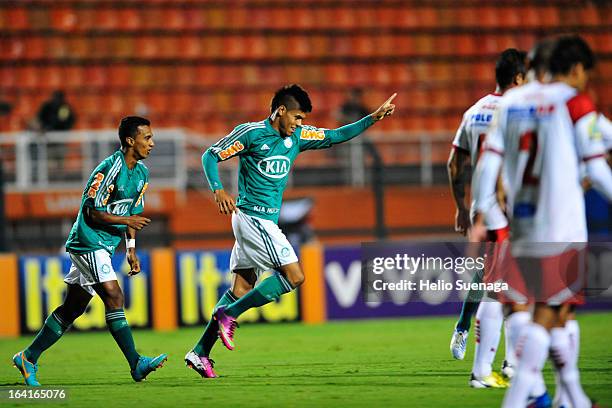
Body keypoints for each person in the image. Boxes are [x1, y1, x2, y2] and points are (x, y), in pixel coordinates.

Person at [185, 84, 396, 378]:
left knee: (241, 288)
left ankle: (200, 352)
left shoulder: (297, 137)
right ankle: (229, 315)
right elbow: (210, 155)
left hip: (258, 222)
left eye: (303, 120)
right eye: (297, 117)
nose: (300, 124)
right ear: (280, 111)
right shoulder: (250, 134)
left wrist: (372, 117)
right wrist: (218, 190)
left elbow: (335, 136)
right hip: (253, 219)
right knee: (295, 276)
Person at [473, 36, 612, 408]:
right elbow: (598, 168)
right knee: (550, 313)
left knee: (552, 314)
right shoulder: (572, 103)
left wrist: (485, 210)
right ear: (578, 69)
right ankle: (521, 401)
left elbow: (488, 162)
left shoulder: (513, 103)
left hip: (522, 225)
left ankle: (574, 399)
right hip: (562, 226)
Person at [12, 116, 167, 386]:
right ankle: (136, 363)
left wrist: (131, 249)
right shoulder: (108, 169)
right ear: (131, 141)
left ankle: (28, 357)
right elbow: (93, 212)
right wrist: (126, 221)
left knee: (73, 308)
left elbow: (133, 213)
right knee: (114, 295)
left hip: (105, 246)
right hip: (87, 241)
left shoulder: (142, 173)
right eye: (148, 138)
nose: (152, 144)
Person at [447, 49, 527, 389]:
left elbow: (454, 164)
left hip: (484, 208)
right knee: (502, 287)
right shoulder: (518, 111)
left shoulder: (474, 111)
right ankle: (485, 369)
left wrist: (462, 207)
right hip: (505, 211)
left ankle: (505, 361)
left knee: (504, 284)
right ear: (519, 78)